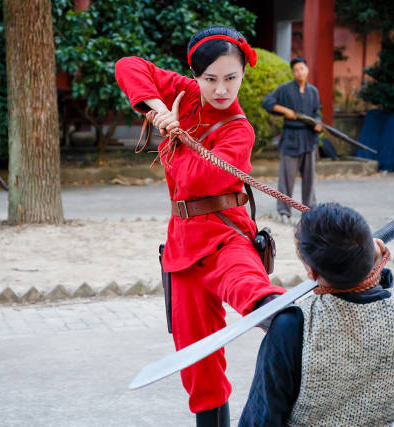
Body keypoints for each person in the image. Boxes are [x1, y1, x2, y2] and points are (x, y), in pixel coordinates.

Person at [115, 26, 285, 426]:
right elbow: (129, 66)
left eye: (231, 78)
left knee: (249, 286)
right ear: (195, 76)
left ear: (243, 74)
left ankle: (283, 320)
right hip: (182, 248)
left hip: (227, 236)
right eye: (210, 79)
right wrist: (158, 109)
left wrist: (172, 138)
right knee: (197, 359)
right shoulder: (185, 97)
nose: (221, 90)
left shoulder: (239, 129)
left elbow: (195, 180)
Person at [239, 203, 394, 426]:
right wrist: (372, 266)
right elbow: (380, 301)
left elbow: (261, 420)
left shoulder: (294, 326)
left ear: (311, 271)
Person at [261, 57, 322, 222]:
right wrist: (285, 111)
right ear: (293, 72)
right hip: (291, 139)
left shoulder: (313, 91)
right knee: (286, 178)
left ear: (307, 69)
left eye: (302, 68)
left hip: (309, 139)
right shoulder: (285, 89)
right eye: (296, 69)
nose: (299, 72)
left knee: (309, 179)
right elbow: (266, 102)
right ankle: (283, 211)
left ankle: (310, 210)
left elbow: (317, 112)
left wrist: (318, 123)